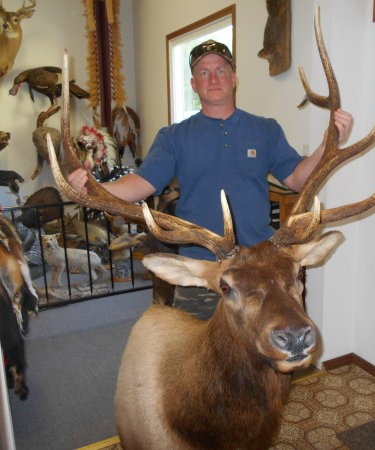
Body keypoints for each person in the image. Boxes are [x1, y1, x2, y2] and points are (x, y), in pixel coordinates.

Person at [68, 40, 353, 319]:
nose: (213, 78)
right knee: (194, 356)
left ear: (233, 78)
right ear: (194, 84)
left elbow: (297, 179)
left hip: (259, 264)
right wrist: (93, 188)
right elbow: (140, 184)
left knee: (268, 354)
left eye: (220, 69)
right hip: (201, 268)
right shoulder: (174, 137)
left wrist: (327, 144)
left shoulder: (265, 129)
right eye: (203, 72)